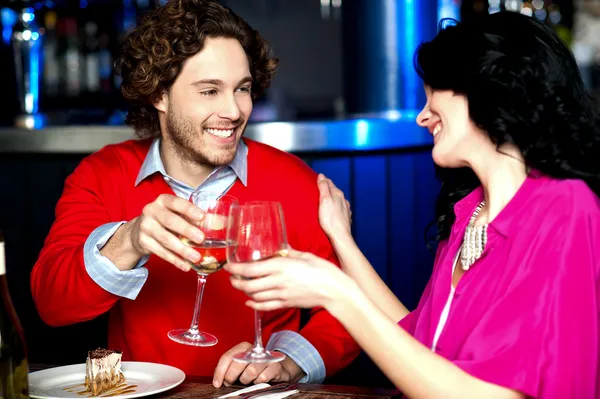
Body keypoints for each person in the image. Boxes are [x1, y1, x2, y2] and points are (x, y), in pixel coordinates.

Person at [226, 11, 600, 398]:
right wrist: (341, 241)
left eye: (435, 91)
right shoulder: (469, 213)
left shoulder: (564, 208)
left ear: (490, 86)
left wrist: (337, 293)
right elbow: (419, 341)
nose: (422, 116)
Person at [30, 0, 359, 387]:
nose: (234, 111)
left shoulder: (296, 183)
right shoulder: (102, 174)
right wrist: (129, 240)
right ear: (159, 95)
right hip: (137, 396)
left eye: (242, 89)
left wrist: (290, 359)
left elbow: (352, 308)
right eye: (209, 91)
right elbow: (52, 304)